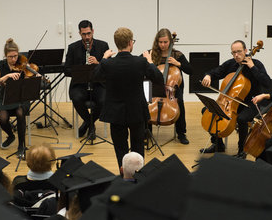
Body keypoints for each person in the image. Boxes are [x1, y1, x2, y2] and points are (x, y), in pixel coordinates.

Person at [95, 27, 164, 168]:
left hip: (115, 113)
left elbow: (94, 77)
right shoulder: (140, 62)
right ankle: (139, 177)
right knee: (138, 148)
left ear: (116, 44)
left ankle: (123, 177)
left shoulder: (108, 63)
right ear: (130, 43)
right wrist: (150, 61)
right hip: (136, 111)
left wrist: (103, 58)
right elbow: (158, 78)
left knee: (120, 149)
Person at [201, 40, 271, 158]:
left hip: (252, 102)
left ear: (245, 51)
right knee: (207, 111)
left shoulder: (257, 64)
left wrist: (252, 67)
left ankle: (241, 150)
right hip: (231, 103)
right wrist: (208, 75)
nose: (236, 55)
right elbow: (215, 72)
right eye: (233, 53)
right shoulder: (230, 64)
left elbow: (267, 82)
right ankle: (218, 144)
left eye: (239, 52)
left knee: (242, 119)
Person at [65, 20, 109, 138]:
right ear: (79, 33)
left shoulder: (103, 46)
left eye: (89, 33)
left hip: (98, 84)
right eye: (84, 34)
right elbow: (67, 70)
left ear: (93, 31)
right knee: (76, 97)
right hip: (80, 84)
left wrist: (98, 63)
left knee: (103, 100)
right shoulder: (73, 48)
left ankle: (86, 124)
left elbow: (109, 68)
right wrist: (81, 69)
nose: (87, 37)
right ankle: (91, 125)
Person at [149, 28, 192, 144]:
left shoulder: (177, 55)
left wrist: (179, 64)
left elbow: (190, 70)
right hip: (154, 86)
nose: (163, 45)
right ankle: (146, 132)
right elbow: (138, 64)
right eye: (160, 42)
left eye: (165, 42)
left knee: (180, 103)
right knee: (145, 99)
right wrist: (149, 62)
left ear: (170, 42)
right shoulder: (151, 54)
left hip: (171, 89)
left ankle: (181, 133)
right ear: (157, 42)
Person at [0, 38, 30, 156]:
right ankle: (11, 135)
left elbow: (28, 82)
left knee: (20, 113)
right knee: (2, 118)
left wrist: (31, 74)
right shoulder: (0, 65)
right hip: (4, 98)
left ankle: (21, 146)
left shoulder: (22, 63)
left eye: (15, 56)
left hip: (20, 98)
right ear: (5, 56)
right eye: (10, 57)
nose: (13, 59)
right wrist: (7, 75)